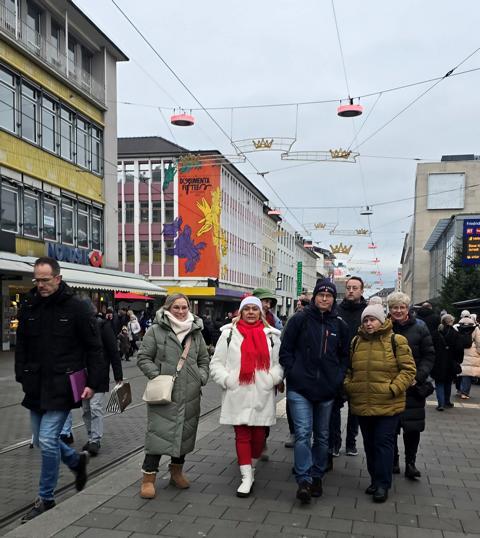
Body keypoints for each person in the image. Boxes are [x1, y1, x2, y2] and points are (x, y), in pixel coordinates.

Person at [15, 257, 104, 522]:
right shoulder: (29, 305)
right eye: (37, 280)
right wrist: (20, 374)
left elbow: (94, 348)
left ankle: (46, 498)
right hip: (35, 385)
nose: (40, 285)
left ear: (58, 278)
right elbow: (21, 345)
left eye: (45, 280)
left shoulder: (77, 307)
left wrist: (93, 383)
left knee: (47, 440)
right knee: (43, 440)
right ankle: (76, 462)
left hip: (62, 386)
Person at [280, 279, 349, 504]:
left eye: (329, 296)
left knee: (322, 436)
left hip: (327, 389)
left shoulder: (339, 325)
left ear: (333, 299)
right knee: (302, 433)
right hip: (300, 388)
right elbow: (286, 350)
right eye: (321, 295)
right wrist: (293, 372)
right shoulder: (299, 319)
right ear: (314, 297)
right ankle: (303, 479)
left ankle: (317, 475)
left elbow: (344, 357)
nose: (324, 298)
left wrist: (337, 378)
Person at [136, 293, 210, 499]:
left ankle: (176, 472)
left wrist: (201, 377)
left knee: (185, 434)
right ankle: (148, 478)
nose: (180, 311)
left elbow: (204, 360)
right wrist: (158, 376)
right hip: (164, 394)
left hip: (190, 394)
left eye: (184, 307)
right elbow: (143, 357)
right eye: (176, 307)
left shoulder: (195, 332)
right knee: (157, 435)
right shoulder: (155, 330)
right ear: (168, 308)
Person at [210, 296, 283, 497]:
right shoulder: (228, 334)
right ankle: (246, 476)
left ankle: (250, 465)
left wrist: (271, 379)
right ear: (240, 312)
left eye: (254, 309)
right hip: (237, 392)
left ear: (261, 312)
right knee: (242, 435)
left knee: (259, 437)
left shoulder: (272, 335)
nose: (251, 312)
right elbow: (216, 363)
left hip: (261, 393)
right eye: (247, 309)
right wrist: (227, 380)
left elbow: (278, 364)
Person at [344, 304, 416, 503]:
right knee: (369, 444)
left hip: (388, 405)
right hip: (362, 402)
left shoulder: (396, 340)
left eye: (373, 319)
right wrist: (350, 386)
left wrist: (393, 389)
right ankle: (375, 480)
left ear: (382, 321)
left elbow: (409, 370)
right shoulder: (356, 341)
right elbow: (349, 370)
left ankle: (383, 484)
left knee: (383, 443)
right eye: (366, 320)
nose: (369, 323)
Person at [387, 292, 435, 479]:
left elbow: (429, 355)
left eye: (402, 307)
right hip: (391, 386)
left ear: (408, 309)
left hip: (413, 387)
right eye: (395, 307)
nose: (398, 311)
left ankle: (410, 463)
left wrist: (418, 377)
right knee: (390, 427)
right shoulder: (385, 327)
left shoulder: (420, 327)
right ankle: (393, 460)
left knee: (412, 428)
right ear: (390, 309)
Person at [330, 276, 368, 460]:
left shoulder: (367, 312)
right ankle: (335, 443)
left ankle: (351, 442)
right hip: (338, 364)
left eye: (355, 288)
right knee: (334, 406)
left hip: (359, 366)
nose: (351, 291)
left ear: (362, 290)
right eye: (349, 288)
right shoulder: (336, 310)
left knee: (356, 408)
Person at [81, 307, 124, 456]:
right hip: (82, 375)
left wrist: (118, 375)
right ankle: (90, 437)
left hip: (99, 372)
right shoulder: (77, 328)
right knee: (86, 409)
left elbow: (113, 351)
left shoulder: (103, 326)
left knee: (95, 406)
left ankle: (95, 440)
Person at [283, 293, 312, 449]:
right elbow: (284, 343)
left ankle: (303, 434)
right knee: (292, 403)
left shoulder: (316, 319)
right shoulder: (293, 320)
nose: (300, 306)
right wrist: (290, 367)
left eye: (304, 303)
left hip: (314, 372)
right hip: (295, 371)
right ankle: (295, 433)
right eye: (299, 303)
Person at [431, 314, 463, 409]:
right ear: (451, 322)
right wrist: (458, 360)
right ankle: (447, 401)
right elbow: (459, 349)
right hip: (451, 362)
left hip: (438, 362)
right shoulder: (455, 333)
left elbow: (431, 347)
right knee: (448, 382)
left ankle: (440, 404)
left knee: (439, 383)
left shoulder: (435, 333)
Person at [456, 316, 480, 399]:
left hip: (460, 350)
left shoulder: (457, 327)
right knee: (467, 374)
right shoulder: (475, 328)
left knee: (459, 371)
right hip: (471, 351)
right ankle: (465, 392)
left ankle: (459, 390)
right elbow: (478, 341)